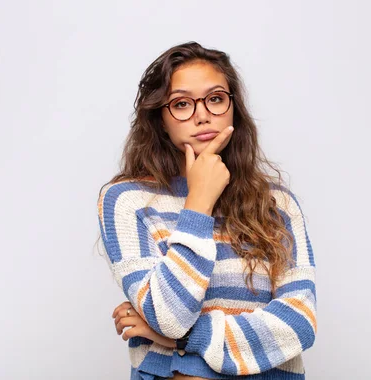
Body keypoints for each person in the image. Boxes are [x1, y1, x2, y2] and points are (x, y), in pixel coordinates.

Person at [96, 41, 317, 380]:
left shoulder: (278, 204)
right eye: (182, 104)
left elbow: (298, 324)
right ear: (161, 121)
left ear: (233, 108)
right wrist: (199, 202)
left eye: (215, 98)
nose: (202, 115)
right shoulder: (127, 200)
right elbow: (169, 315)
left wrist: (182, 339)